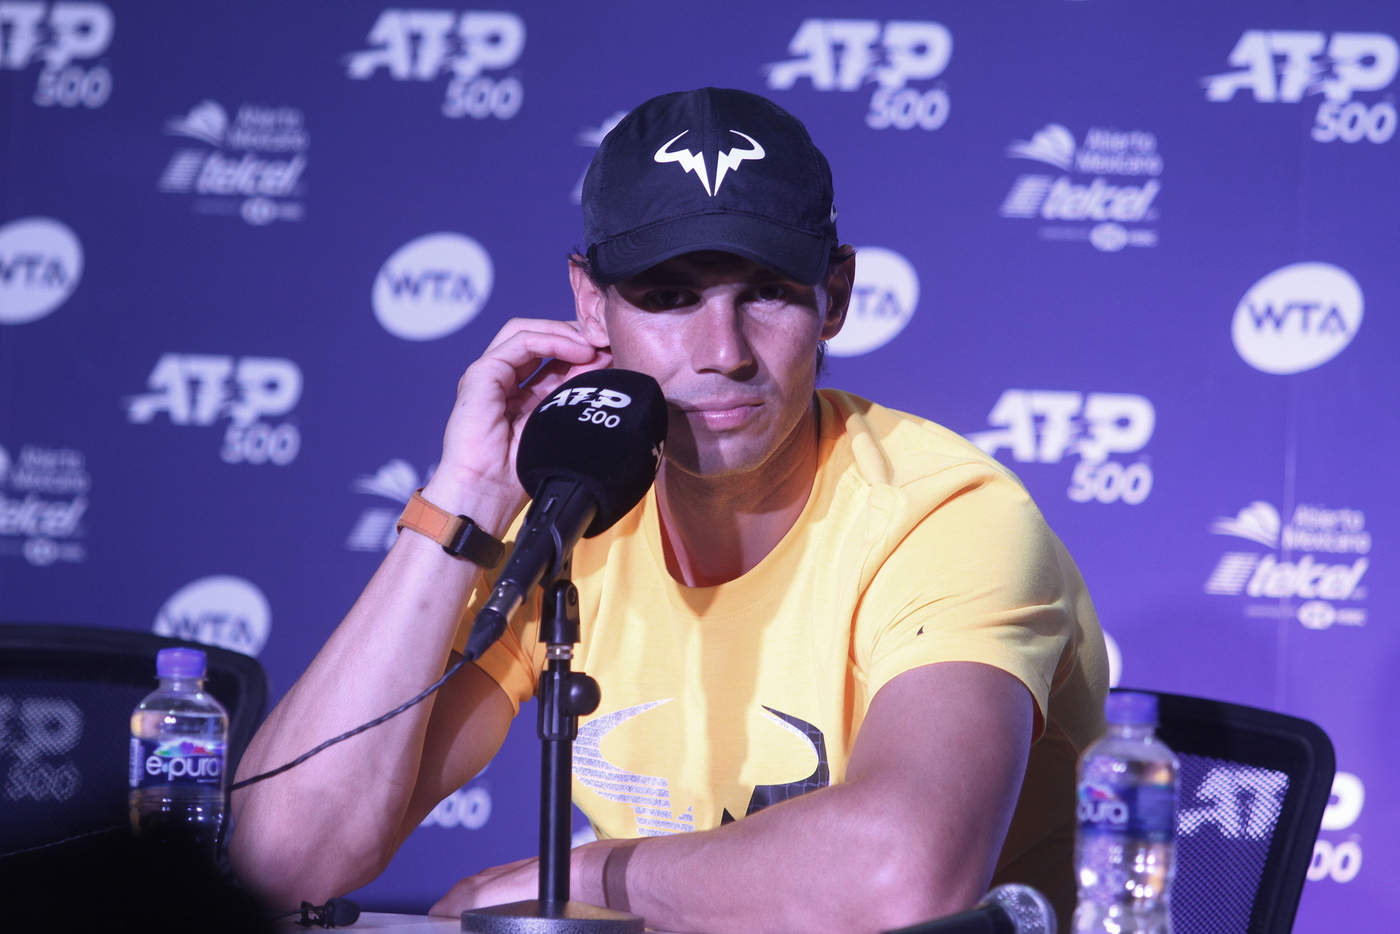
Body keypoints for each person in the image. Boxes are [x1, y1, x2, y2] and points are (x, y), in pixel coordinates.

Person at [229, 87, 1108, 933]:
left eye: (764, 291)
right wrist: (466, 497)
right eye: (668, 296)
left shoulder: (946, 517)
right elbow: (279, 860)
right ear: (590, 304)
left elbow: (903, 879)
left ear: (833, 298)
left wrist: (576, 877)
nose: (721, 353)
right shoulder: (568, 521)